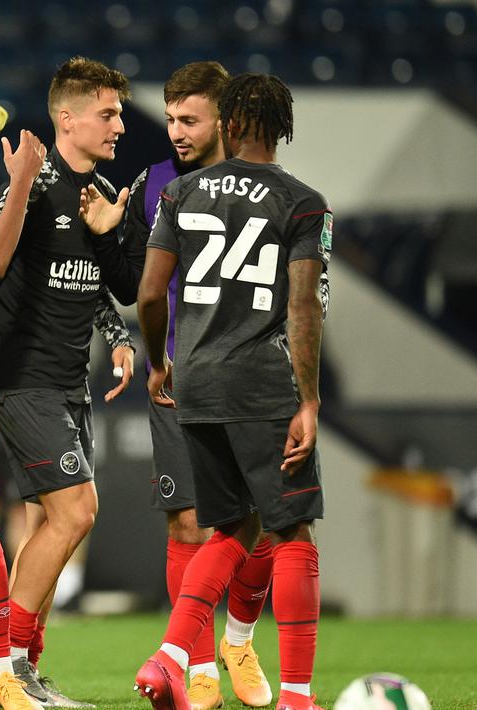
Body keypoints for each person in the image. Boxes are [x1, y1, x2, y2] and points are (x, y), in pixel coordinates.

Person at [79, 61, 276, 710]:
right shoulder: (153, 183)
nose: (175, 132)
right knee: (187, 526)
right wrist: (108, 237)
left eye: (188, 119)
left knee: (262, 527)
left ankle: (239, 640)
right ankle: (195, 668)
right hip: (177, 382)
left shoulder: (261, 186)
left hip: (250, 379)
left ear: (226, 120)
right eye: (168, 119)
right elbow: (130, 283)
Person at [133, 73, 330, 710]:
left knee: (227, 531)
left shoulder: (182, 193)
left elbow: (148, 292)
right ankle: (298, 695)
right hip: (263, 386)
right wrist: (309, 399)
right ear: (280, 126)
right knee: (292, 532)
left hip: (196, 381)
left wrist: (162, 366)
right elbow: (304, 307)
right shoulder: (303, 203)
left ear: (231, 123)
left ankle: (168, 658)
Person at [0, 57, 136, 708]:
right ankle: (1, 665)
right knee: (76, 512)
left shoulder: (99, 195)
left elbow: (117, 286)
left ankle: (24, 669)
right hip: (22, 377)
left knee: (51, 519)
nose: (119, 124)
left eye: (120, 112)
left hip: (71, 383)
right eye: (107, 113)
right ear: (66, 118)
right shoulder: (30, 187)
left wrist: (110, 232)